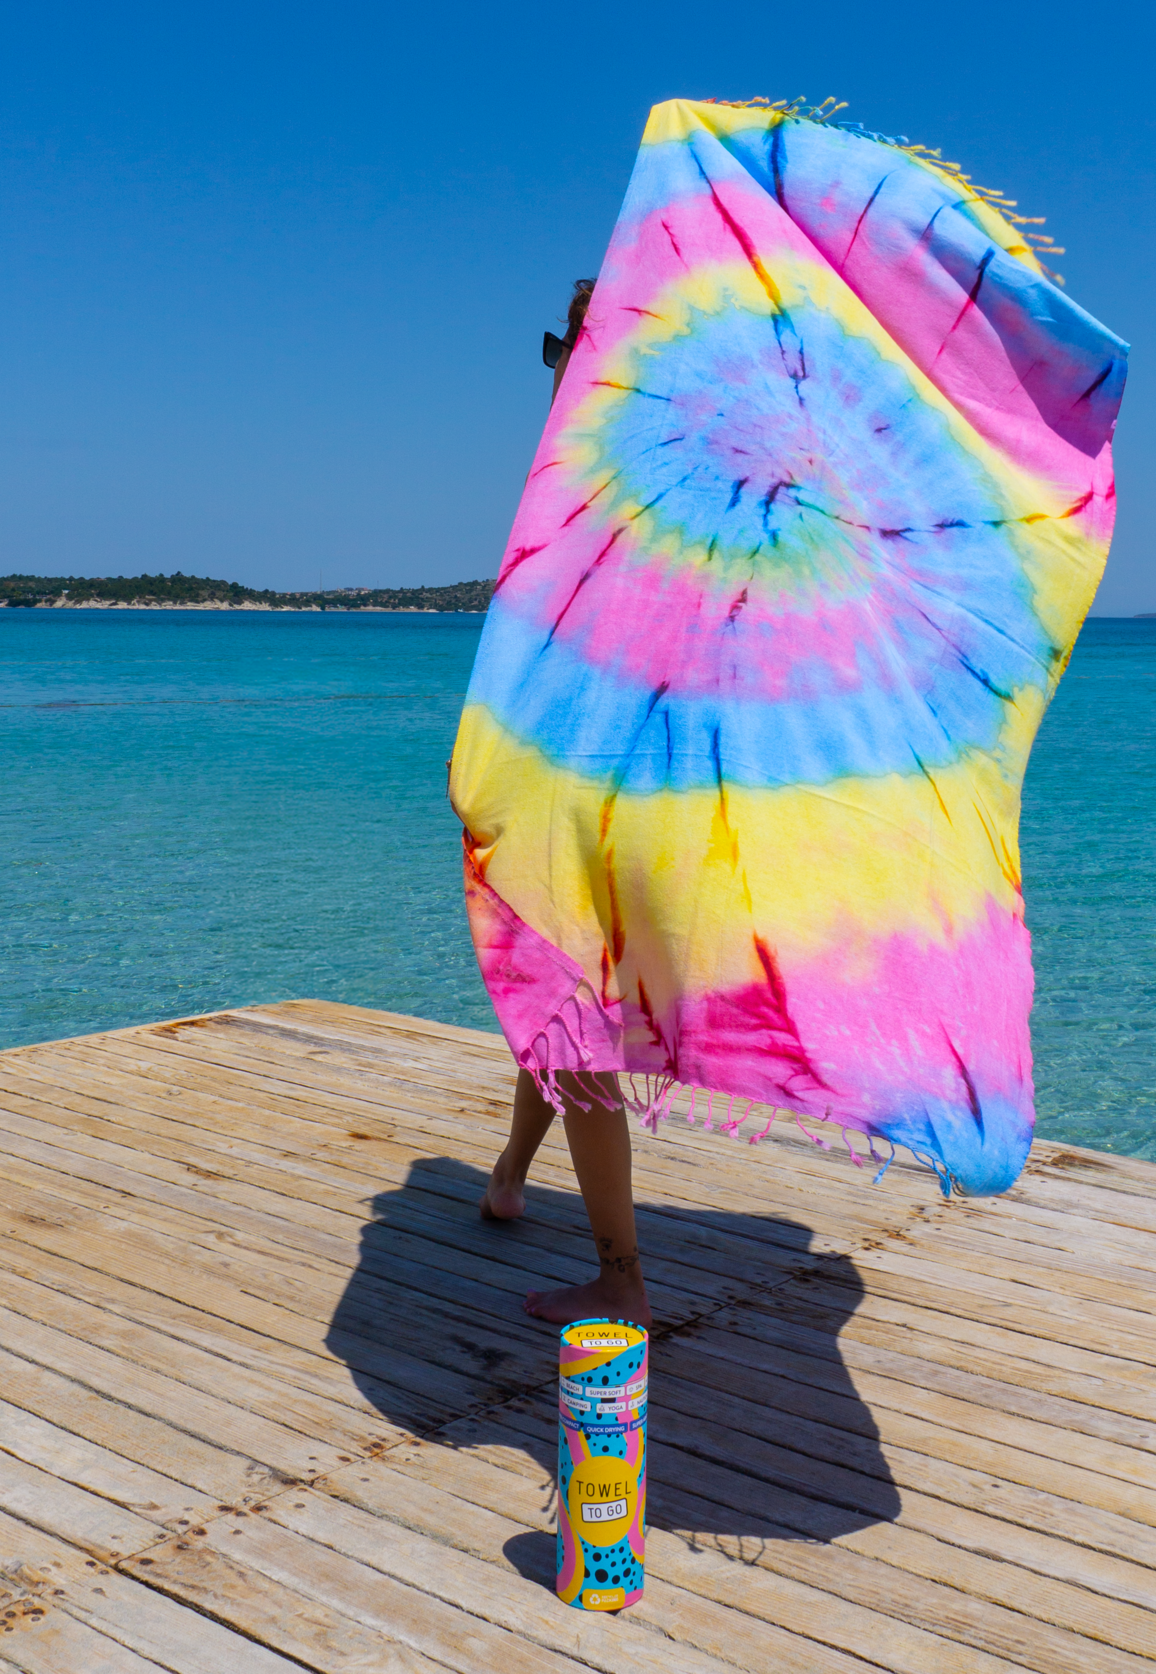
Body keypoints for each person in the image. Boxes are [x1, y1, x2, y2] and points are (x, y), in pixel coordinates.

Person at [476, 278, 653, 1331]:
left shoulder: (598, 483)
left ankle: (620, 1278)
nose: (554, 375)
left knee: (571, 1018)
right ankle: (509, 1173)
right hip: (607, 780)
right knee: (553, 1001)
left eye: (565, 352)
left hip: (595, 790)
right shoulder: (628, 482)